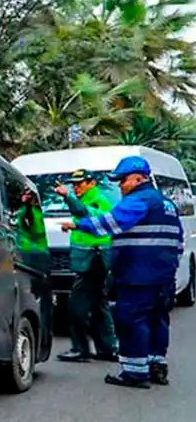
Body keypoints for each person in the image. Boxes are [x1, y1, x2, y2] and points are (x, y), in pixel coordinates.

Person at [61, 156, 182, 388]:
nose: (120, 185)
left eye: (123, 180)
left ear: (139, 178)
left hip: (137, 276)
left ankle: (135, 373)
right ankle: (156, 366)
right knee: (158, 320)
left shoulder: (139, 199)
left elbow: (110, 223)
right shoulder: (166, 204)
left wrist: (78, 224)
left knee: (131, 321)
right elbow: (177, 242)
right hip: (162, 277)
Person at [53, 170, 118, 363]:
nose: (76, 187)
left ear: (91, 183)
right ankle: (107, 349)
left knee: (77, 307)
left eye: (80, 183)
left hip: (93, 262)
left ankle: (80, 349)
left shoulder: (98, 200)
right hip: (91, 261)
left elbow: (84, 214)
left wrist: (67, 196)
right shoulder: (89, 200)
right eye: (74, 185)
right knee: (99, 306)